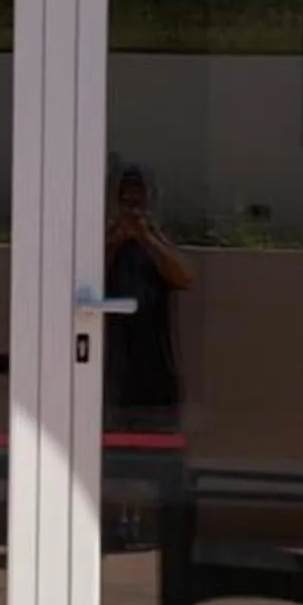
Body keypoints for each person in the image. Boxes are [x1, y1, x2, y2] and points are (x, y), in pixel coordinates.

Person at [103, 163, 191, 435]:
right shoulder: (104, 237)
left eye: (137, 198)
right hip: (113, 358)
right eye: (125, 199)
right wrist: (116, 239)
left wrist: (145, 237)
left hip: (156, 358)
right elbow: (87, 278)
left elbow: (185, 278)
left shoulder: (158, 237)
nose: (131, 206)